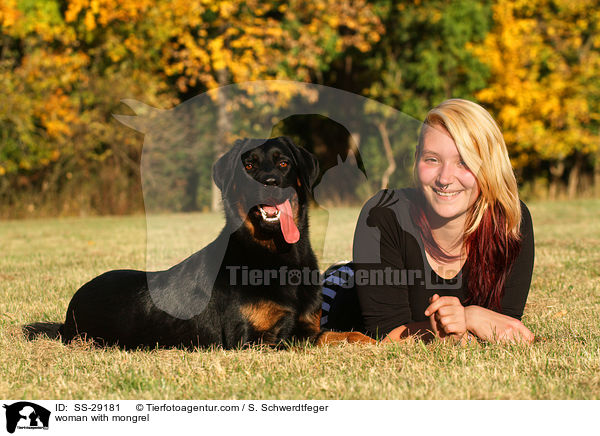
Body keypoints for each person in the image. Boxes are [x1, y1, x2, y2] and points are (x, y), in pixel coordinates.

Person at [321, 99, 535, 344]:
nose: (445, 178)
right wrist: (455, 328)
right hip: (343, 294)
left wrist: (469, 317)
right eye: (432, 159)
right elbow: (385, 337)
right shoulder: (383, 214)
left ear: (489, 167)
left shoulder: (511, 222)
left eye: (463, 162)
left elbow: (504, 327)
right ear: (416, 159)